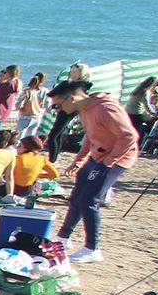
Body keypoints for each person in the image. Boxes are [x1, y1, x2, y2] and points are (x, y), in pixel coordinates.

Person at [51, 78, 140, 264]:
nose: (57, 111)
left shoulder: (105, 109)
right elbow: (91, 137)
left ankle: (93, 248)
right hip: (97, 156)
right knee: (76, 196)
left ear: (71, 99)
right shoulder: (84, 109)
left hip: (116, 159)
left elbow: (130, 136)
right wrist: (79, 160)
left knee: (89, 200)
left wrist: (108, 161)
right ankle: (63, 237)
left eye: (57, 106)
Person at [46, 62, 90, 162]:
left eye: (75, 72)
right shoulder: (76, 85)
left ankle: (52, 160)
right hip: (67, 109)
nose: (72, 74)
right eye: (72, 71)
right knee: (57, 135)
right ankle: (54, 158)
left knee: (53, 135)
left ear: (82, 73)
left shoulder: (77, 85)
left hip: (69, 110)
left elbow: (53, 94)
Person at [126, 76, 158, 141]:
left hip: (128, 112)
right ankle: (152, 140)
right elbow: (146, 105)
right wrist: (153, 113)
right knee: (151, 124)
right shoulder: (144, 92)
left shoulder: (136, 90)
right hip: (136, 113)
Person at [18, 72, 48, 139]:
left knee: (19, 137)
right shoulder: (45, 91)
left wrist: (20, 108)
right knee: (30, 137)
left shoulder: (27, 91)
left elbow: (19, 103)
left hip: (26, 115)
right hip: (37, 115)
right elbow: (46, 104)